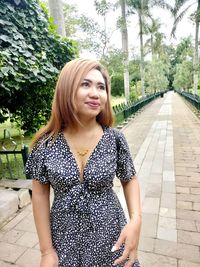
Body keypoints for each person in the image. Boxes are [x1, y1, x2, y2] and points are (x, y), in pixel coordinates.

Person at [25, 58, 142, 267]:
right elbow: (40, 195)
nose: (95, 93)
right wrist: (46, 251)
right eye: (85, 84)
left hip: (112, 236)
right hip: (64, 240)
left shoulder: (114, 139)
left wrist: (135, 221)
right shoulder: (45, 144)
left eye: (101, 87)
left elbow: (129, 178)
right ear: (67, 89)